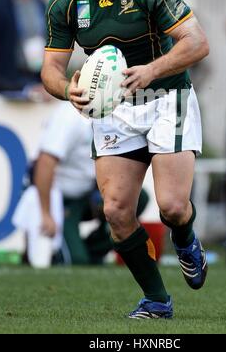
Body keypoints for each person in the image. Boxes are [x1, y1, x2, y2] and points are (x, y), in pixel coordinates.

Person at [41, 0, 209, 319]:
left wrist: (152, 70)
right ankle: (156, 300)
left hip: (166, 95)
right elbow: (50, 70)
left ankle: (186, 240)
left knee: (171, 206)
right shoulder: (65, 4)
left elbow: (198, 43)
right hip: (115, 108)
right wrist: (70, 91)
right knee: (116, 211)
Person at [32, 101, 149, 265]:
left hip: (88, 193)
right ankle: (66, 253)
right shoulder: (70, 116)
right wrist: (45, 213)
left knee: (136, 197)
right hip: (60, 199)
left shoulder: (112, 111)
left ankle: (95, 248)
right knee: (77, 261)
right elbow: (45, 162)